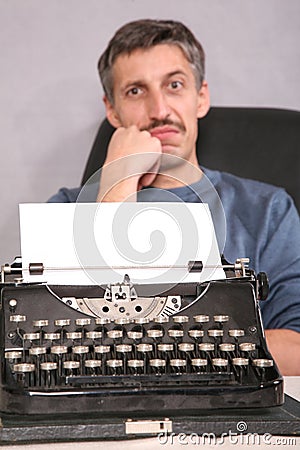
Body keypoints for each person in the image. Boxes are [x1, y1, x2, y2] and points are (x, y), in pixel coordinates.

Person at [49, 19, 300, 375]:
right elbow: (62, 346)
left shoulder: (268, 212)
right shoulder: (63, 210)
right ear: (112, 110)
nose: (159, 110)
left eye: (175, 85)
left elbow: (296, 348)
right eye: (136, 91)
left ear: (201, 97)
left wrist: (150, 341)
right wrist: (117, 182)